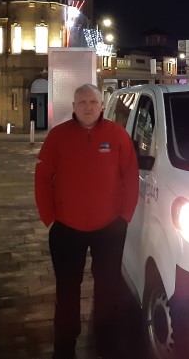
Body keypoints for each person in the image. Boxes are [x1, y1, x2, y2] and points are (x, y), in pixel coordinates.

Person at [34, 83, 139, 359]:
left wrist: (125, 216)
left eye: (92, 101)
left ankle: (107, 343)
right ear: (73, 107)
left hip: (110, 229)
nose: (88, 107)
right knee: (67, 291)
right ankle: (65, 346)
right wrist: (50, 219)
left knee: (108, 290)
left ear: (101, 104)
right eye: (82, 102)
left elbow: (130, 176)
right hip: (67, 229)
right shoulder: (58, 137)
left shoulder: (117, 135)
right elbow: (42, 179)